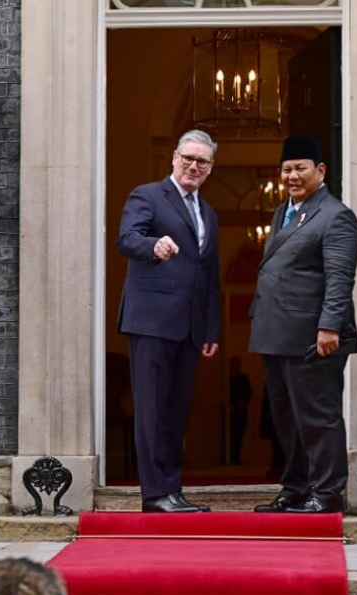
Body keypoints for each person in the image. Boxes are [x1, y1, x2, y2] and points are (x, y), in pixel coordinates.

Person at [249, 136, 357, 514]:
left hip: (314, 336)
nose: (292, 176)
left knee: (317, 416)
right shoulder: (283, 211)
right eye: (286, 169)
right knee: (286, 418)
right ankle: (295, 487)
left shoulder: (335, 215)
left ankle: (326, 493)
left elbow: (340, 276)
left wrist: (329, 326)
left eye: (300, 168)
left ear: (320, 171)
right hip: (277, 333)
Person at [116, 129, 222, 513]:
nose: (194, 166)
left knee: (176, 411)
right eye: (188, 158)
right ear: (174, 158)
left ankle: (172, 489)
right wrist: (152, 246)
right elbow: (127, 237)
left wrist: (211, 328)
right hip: (151, 321)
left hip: (190, 327)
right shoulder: (147, 195)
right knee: (152, 409)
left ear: (211, 168)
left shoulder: (207, 212)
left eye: (202, 161)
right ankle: (155, 493)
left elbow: (209, 276)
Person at [227, 356, 252, 465]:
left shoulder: (243, 378)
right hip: (229, 411)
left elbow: (248, 393)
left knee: (239, 434)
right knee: (229, 434)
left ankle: (236, 456)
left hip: (241, 411)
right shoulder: (226, 379)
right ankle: (228, 456)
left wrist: (243, 403)